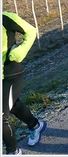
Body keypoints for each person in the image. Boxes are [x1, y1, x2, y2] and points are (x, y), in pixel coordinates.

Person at [2, 11, 47, 155]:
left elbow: (30, 30)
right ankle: (35, 126)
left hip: (10, 73)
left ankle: (13, 152)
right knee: (13, 105)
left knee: (1, 115)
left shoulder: (4, 17)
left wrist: (20, 51)